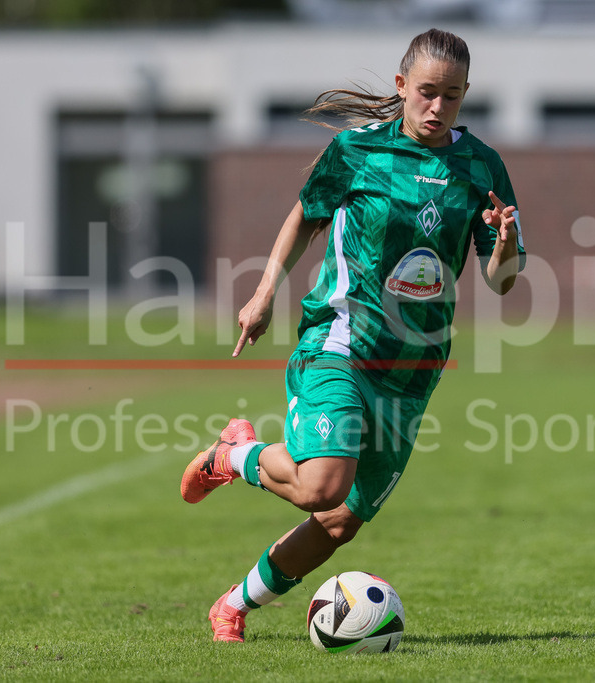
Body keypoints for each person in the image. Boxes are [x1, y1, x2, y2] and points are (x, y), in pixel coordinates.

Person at [180, 27, 526, 643]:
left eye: (452, 96)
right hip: (340, 342)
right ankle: (232, 455)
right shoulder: (356, 151)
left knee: (340, 521)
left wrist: (504, 247)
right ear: (401, 87)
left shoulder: (481, 166)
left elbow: (502, 281)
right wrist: (263, 295)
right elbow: (305, 217)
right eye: (426, 92)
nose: (437, 107)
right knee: (321, 486)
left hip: (414, 367)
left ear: (466, 95)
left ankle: (231, 606)